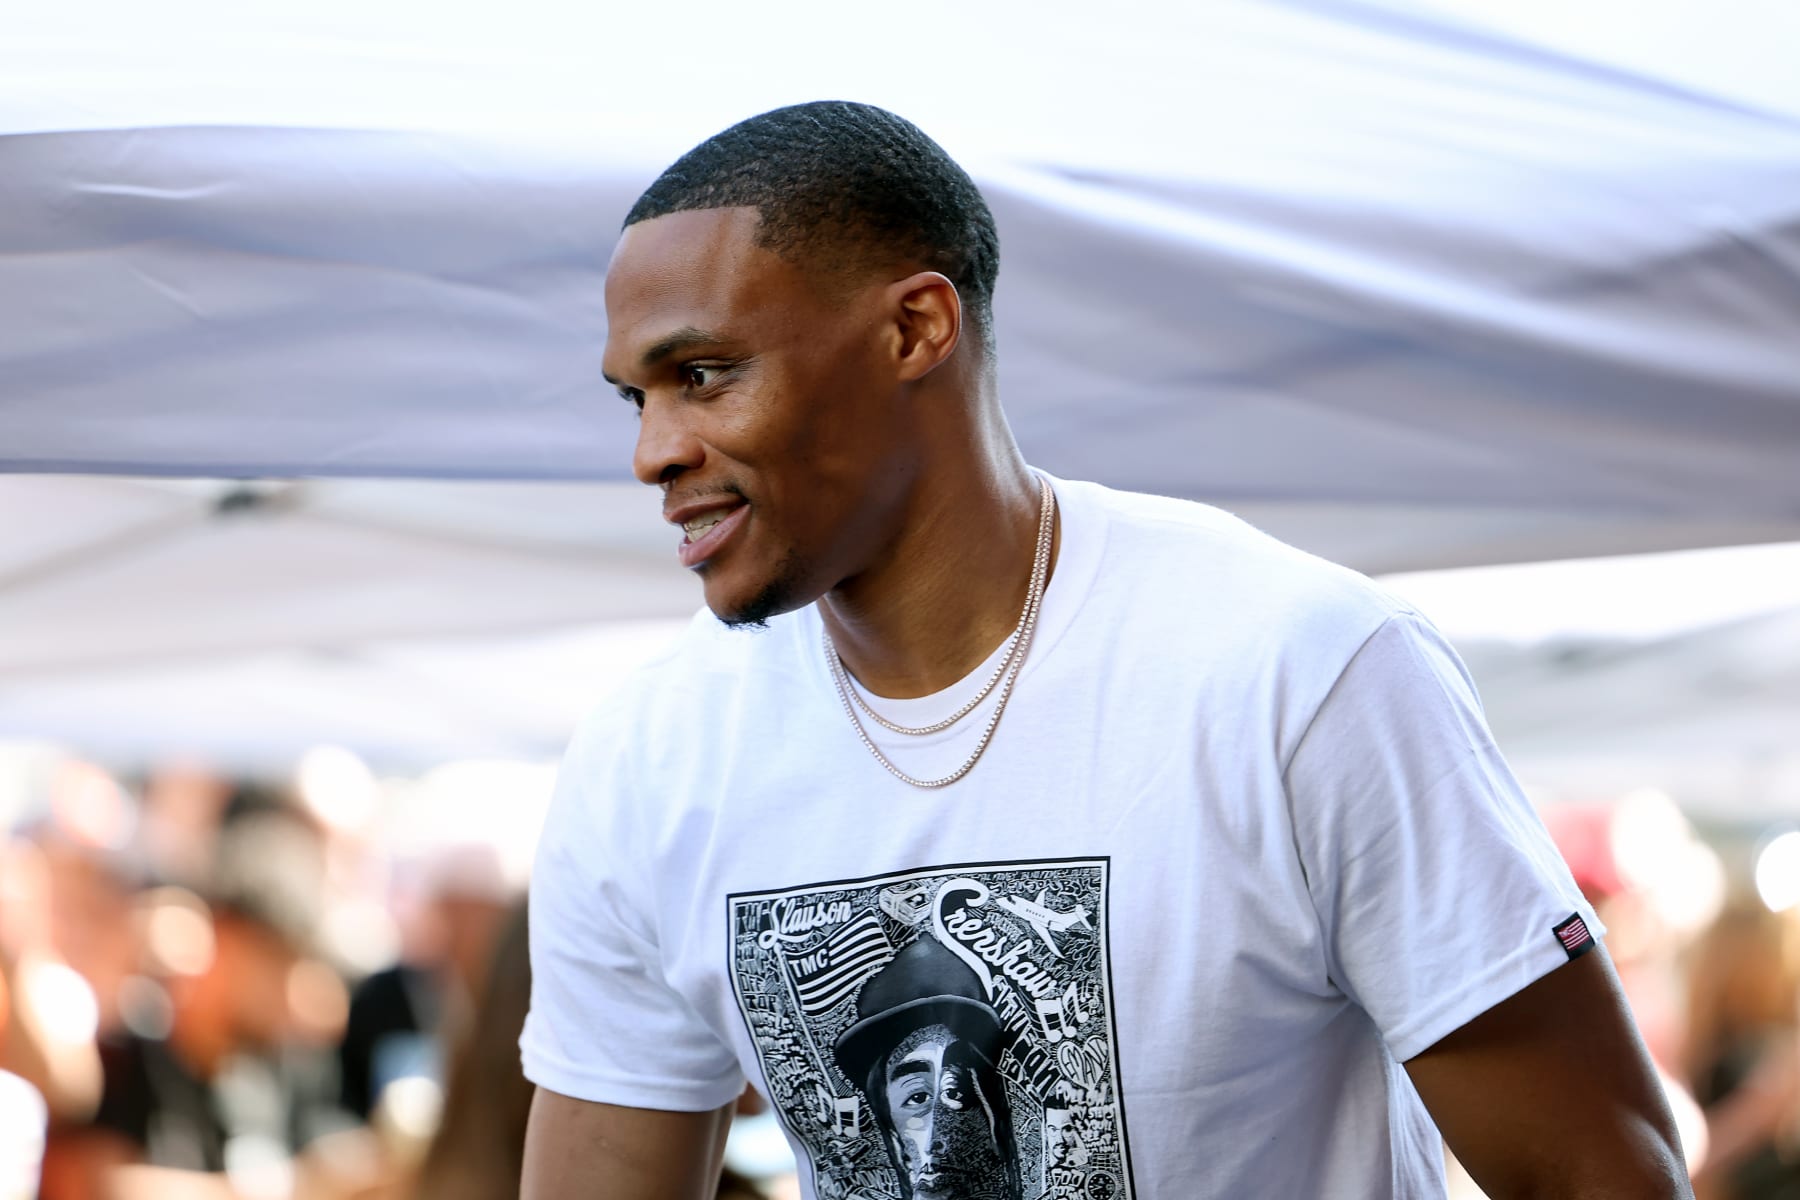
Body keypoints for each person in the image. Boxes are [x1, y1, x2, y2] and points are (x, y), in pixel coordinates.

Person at [520, 100, 1691, 1199]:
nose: (655, 452)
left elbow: (1603, 1174)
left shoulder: (1295, 672)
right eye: (638, 398)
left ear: (914, 328)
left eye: (704, 375)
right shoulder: (650, 758)